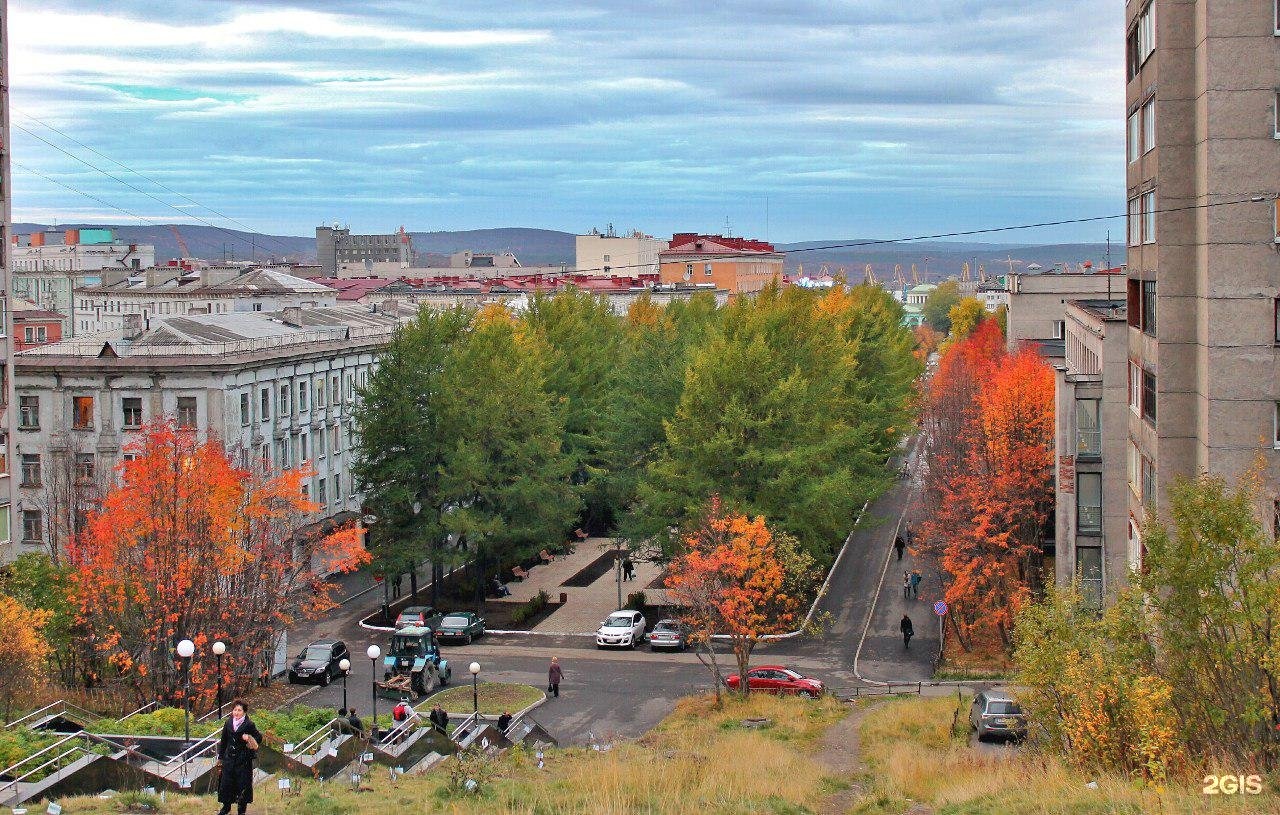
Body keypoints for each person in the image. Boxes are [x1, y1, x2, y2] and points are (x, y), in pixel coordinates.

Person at [216, 700, 262, 815]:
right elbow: (224, 741)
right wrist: (220, 758)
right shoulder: (228, 723)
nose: (236, 713)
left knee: (242, 784)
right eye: (235, 710)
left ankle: (241, 811)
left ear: (244, 712)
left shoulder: (249, 724)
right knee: (226, 783)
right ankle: (226, 808)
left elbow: (259, 738)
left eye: (239, 710)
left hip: (243, 760)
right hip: (229, 758)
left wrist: (249, 737)